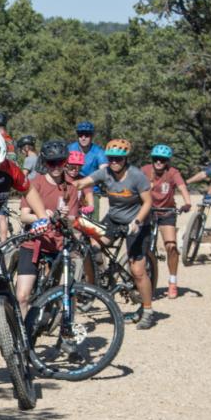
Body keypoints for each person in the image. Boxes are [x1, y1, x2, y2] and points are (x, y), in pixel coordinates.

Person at [74, 138, 157, 329]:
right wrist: (64, 184)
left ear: (126, 159)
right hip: (113, 219)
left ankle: (148, 310)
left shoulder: (136, 176)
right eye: (111, 158)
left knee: (137, 270)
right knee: (91, 245)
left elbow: (147, 203)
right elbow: (82, 183)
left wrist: (137, 222)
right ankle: (98, 282)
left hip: (137, 223)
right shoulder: (105, 172)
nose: (114, 162)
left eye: (118, 159)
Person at [14, 141, 88, 316]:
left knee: (67, 293)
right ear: (44, 163)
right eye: (51, 163)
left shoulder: (70, 188)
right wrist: (44, 215)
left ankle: (66, 331)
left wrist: (65, 218)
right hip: (33, 243)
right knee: (22, 296)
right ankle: (23, 337)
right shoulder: (34, 184)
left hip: (58, 245)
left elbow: (73, 220)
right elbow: (24, 216)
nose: (56, 167)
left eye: (60, 162)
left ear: (65, 163)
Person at [141, 144, 193, 299]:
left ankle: (172, 280)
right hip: (148, 210)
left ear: (167, 161)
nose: (159, 162)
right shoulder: (144, 170)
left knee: (171, 246)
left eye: (162, 160)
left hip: (167, 212)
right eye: (156, 159)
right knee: (141, 244)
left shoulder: (172, 172)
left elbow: (182, 187)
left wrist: (187, 202)